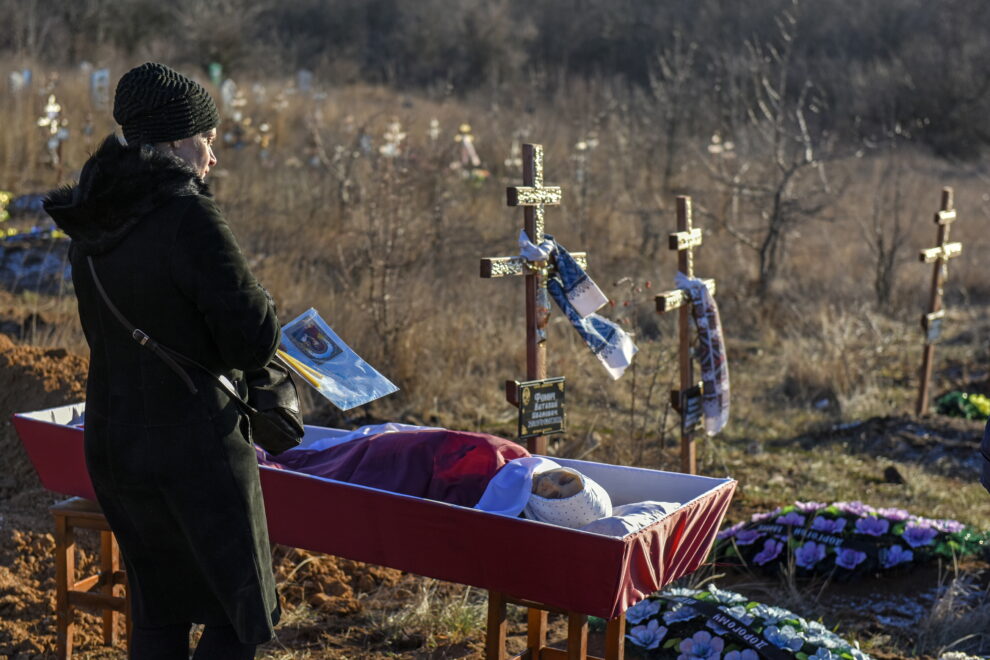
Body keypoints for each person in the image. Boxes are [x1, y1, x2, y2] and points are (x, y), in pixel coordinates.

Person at [45, 62, 280, 659]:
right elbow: (253, 341)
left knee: (158, 614)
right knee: (239, 614)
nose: (213, 157)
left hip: (114, 445)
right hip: (194, 450)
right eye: (207, 139)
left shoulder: (91, 220)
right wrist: (267, 304)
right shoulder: (188, 216)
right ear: (176, 141)